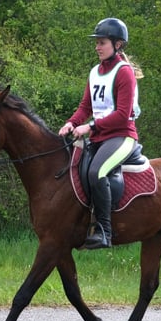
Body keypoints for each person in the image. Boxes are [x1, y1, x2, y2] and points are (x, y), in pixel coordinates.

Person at [58, 17, 142, 249]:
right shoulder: (95, 72)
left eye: (101, 42)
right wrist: (71, 123)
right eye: (96, 42)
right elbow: (85, 107)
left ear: (117, 45)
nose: (97, 47)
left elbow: (123, 114)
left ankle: (104, 231)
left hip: (122, 137)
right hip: (99, 137)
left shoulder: (124, 72)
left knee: (97, 172)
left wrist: (91, 126)